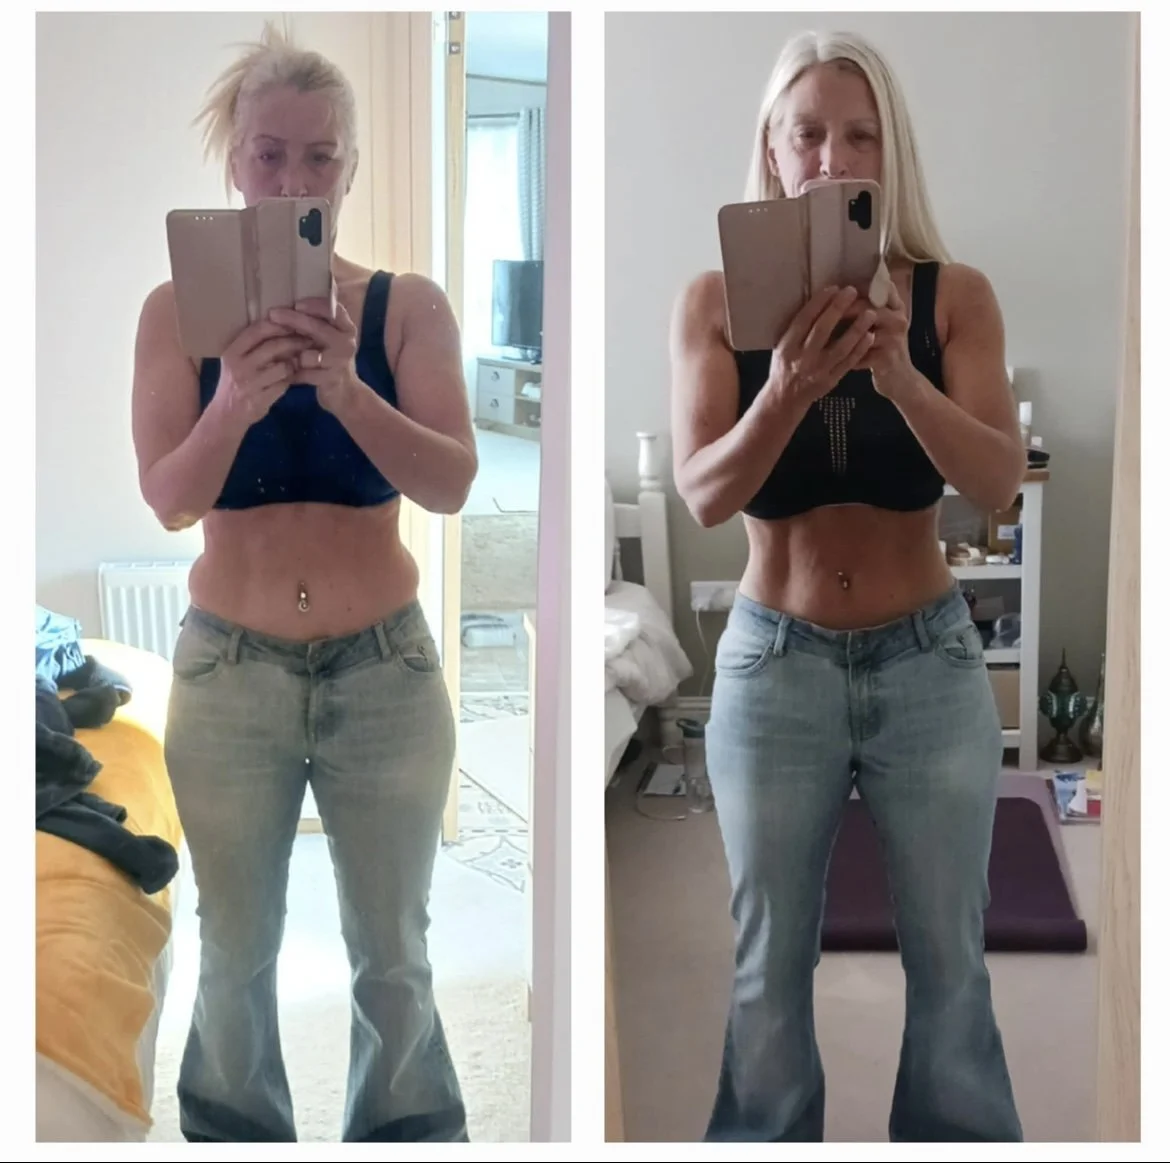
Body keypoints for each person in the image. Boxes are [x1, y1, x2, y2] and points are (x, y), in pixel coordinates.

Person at [670, 29, 1027, 1143]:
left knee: (951, 959)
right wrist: (783, 388)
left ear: (889, 155)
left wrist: (895, 373)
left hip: (929, 660)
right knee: (767, 968)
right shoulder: (712, 304)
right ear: (772, 153)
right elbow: (703, 493)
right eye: (808, 133)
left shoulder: (953, 296)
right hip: (776, 664)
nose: (834, 157)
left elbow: (1000, 484)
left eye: (858, 134)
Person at [131, 24, 476, 1143]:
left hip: (386, 670)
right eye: (269, 154)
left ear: (349, 170)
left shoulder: (405, 308)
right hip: (229, 675)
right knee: (234, 947)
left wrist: (348, 392)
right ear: (234, 162)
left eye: (317, 158)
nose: (291, 180)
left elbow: (456, 478)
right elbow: (172, 499)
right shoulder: (171, 316)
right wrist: (234, 395)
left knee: (394, 950)